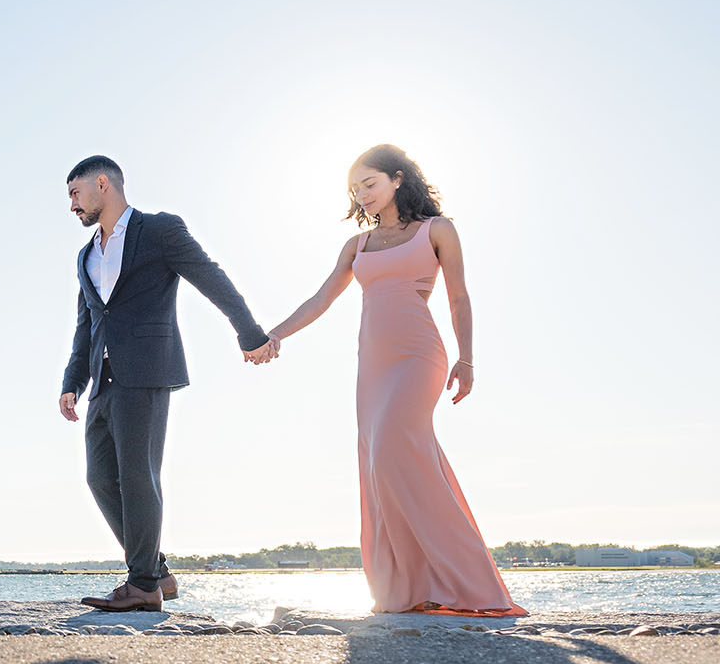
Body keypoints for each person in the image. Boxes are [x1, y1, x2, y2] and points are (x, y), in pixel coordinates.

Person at [263, 144, 526, 615]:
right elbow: (321, 299)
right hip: (373, 368)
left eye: (370, 184)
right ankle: (408, 589)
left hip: (418, 356)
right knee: (380, 466)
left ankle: (470, 584)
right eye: (355, 188)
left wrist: (467, 361)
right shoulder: (356, 246)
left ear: (397, 179)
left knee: (392, 449)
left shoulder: (437, 231)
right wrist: (275, 335)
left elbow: (459, 298)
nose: (362, 194)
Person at [59, 155, 277, 613]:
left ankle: (143, 585)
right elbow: (86, 325)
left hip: (146, 369)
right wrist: (72, 382)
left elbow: (210, 277)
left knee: (139, 476)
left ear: (103, 184)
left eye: (76, 193)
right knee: (100, 478)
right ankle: (156, 571)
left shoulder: (158, 230)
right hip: (103, 379)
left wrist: (249, 332)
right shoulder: (86, 255)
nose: (72, 205)